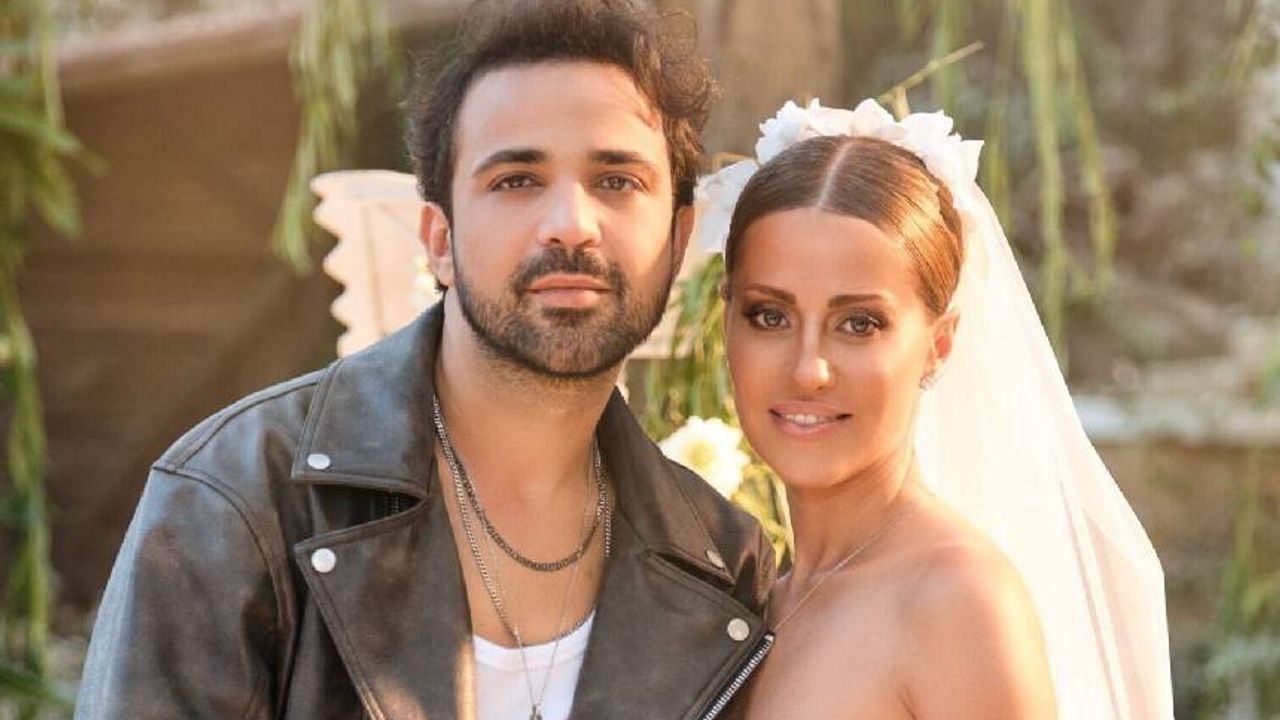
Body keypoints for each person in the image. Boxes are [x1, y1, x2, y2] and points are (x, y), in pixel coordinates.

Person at [75, 2, 775, 719]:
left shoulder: (721, 565)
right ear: (439, 241)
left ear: (678, 241)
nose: (570, 224)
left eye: (617, 181)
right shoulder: (239, 494)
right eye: (516, 180)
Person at [695, 99, 1173, 718]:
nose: (808, 369)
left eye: (859, 324)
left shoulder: (956, 601)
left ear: (939, 345)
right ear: (727, 320)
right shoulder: (760, 601)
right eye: (770, 316)